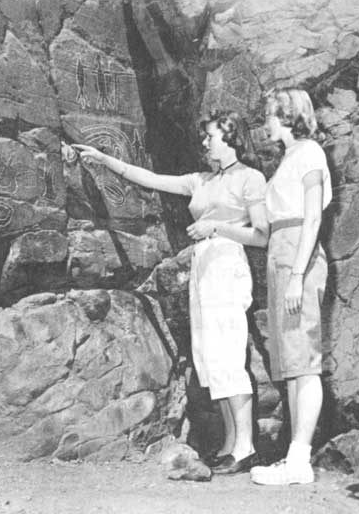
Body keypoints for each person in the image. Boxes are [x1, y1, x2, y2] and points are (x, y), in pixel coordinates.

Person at [73, 110, 269, 475]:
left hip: (227, 263)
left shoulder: (250, 178)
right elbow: (149, 178)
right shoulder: (202, 180)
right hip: (203, 266)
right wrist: (103, 159)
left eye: (211, 136)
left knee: (228, 355)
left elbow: (262, 234)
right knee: (210, 358)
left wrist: (215, 227)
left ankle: (246, 446)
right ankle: (230, 443)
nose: (206, 142)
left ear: (230, 137)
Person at [250, 89, 332, 485]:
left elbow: (313, 218)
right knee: (293, 365)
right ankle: (295, 458)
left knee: (305, 361)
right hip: (280, 253)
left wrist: (298, 273)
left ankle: (301, 459)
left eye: (270, 114)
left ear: (288, 115)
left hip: (299, 254)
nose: (265, 121)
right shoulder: (288, 158)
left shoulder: (311, 152)